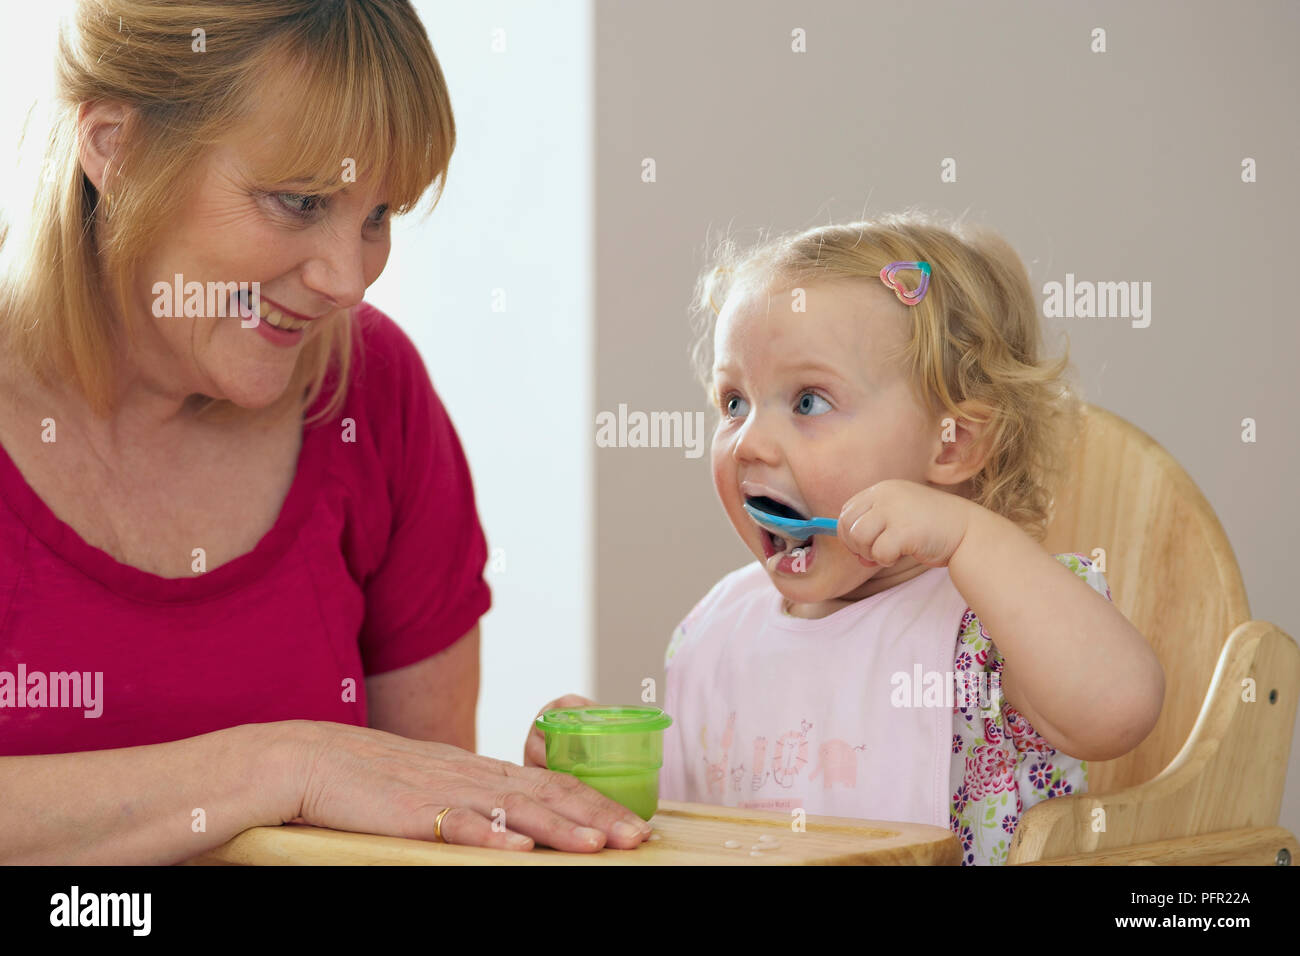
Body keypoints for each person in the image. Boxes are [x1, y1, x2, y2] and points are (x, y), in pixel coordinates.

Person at [0, 0, 650, 864]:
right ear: (116, 148)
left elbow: (426, 818)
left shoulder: (373, 392)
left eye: (378, 216)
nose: (349, 281)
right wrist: (283, 764)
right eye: (300, 201)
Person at [526, 213, 1164, 865]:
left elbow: (1119, 710)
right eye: (734, 403)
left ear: (954, 444)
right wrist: (601, 789)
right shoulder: (713, 631)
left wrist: (973, 538)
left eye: (808, 402)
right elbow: (695, 827)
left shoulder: (991, 622)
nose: (749, 443)